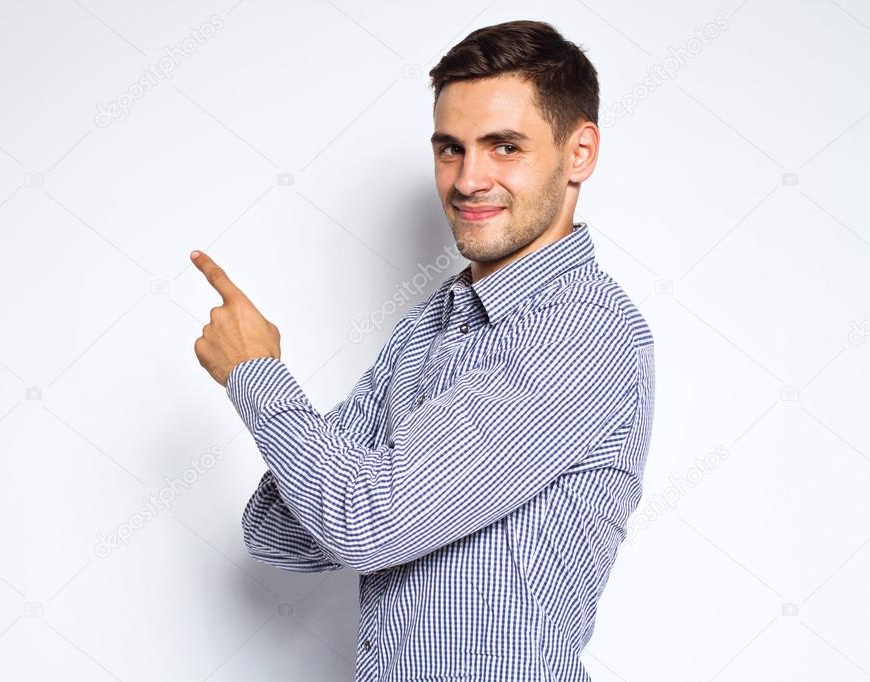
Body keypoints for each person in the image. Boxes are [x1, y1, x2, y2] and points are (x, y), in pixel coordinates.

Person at [192, 19, 655, 681]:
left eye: (504, 147)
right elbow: (280, 533)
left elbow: (358, 523)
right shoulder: (429, 326)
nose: (468, 179)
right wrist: (354, 481)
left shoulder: (580, 334)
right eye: (449, 149)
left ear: (578, 152)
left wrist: (255, 373)